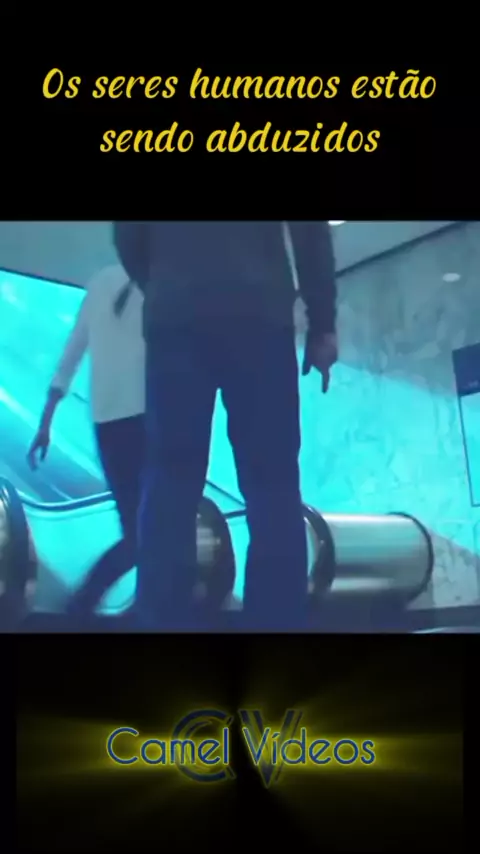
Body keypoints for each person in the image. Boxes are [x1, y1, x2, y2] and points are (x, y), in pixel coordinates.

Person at [114, 221, 337, 631]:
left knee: (170, 482)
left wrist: (165, 281)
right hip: (259, 314)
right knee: (273, 483)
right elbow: (310, 231)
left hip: (176, 319)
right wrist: (322, 323)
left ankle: (162, 628)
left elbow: (128, 232)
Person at [27, 264, 145, 618]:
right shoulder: (160, 283)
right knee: (147, 532)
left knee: (143, 530)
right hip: (147, 423)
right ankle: (84, 604)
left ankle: (88, 605)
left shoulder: (101, 281)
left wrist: (46, 422)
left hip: (108, 425)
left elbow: (73, 351)